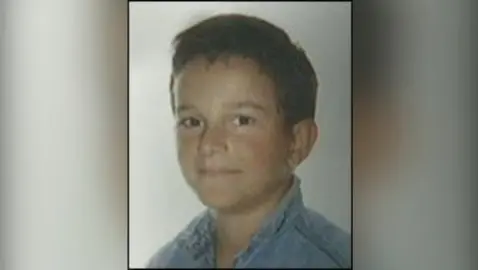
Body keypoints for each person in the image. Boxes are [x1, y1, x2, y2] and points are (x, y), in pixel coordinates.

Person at [146, 13, 351, 268]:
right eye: (192, 122)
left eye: (242, 120)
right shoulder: (167, 262)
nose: (209, 144)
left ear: (298, 142)